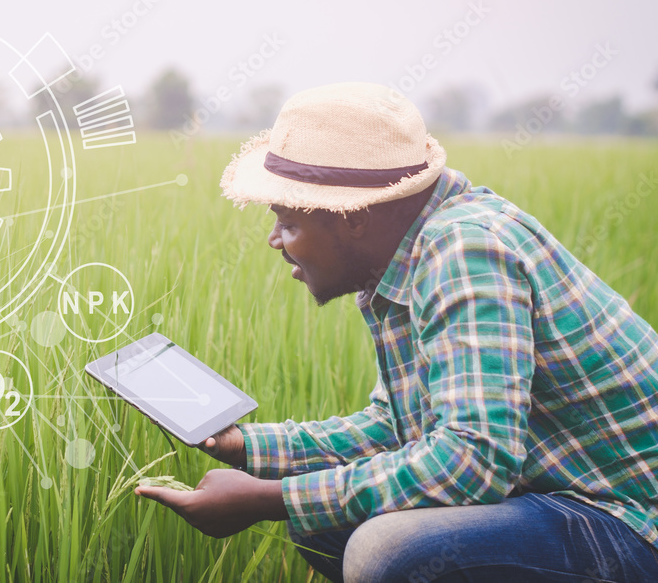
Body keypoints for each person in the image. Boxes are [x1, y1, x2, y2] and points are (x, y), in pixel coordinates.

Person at [135, 82, 658, 582]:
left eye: (288, 221)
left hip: (631, 519)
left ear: (353, 218)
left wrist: (268, 498)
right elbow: (398, 427)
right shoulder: (408, 259)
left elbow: (473, 458)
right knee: (327, 527)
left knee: (386, 550)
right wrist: (245, 447)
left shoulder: (464, 251)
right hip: (561, 496)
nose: (275, 240)